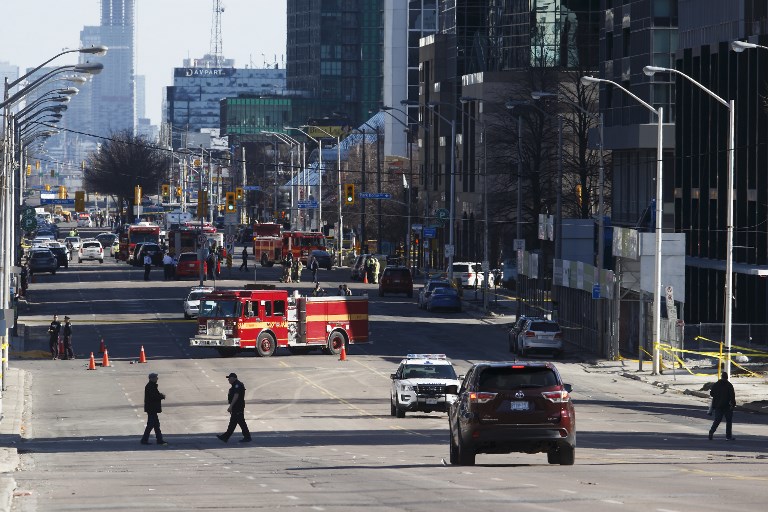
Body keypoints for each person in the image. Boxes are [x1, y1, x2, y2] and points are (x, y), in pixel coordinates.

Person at [217, 372, 251, 443]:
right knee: (233, 422)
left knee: (241, 422)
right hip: (236, 406)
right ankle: (225, 437)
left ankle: (247, 437)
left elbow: (236, 396)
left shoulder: (237, 385)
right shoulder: (235, 385)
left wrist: (231, 406)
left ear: (234, 378)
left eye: (229, 378)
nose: (228, 379)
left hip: (238, 406)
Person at [140, 373, 168, 446]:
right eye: (156, 377)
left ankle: (159, 440)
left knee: (156, 425)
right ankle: (145, 440)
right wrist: (161, 396)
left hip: (152, 409)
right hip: (151, 408)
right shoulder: (150, 386)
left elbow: (155, 395)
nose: (157, 378)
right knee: (151, 425)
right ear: (151, 378)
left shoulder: (152, 386)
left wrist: (160, 395)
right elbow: (154, 396)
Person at [709, 372, 737, 440]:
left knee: (717, 420)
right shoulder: (729, 385)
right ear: (727, 377)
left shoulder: (716, 384)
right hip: (727, 406)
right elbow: (732, 396)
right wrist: (733, 404)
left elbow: (711, 393)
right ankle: (728, 436)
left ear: (721, 377)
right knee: (729, 421)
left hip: (718, 405)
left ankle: (711, 432)